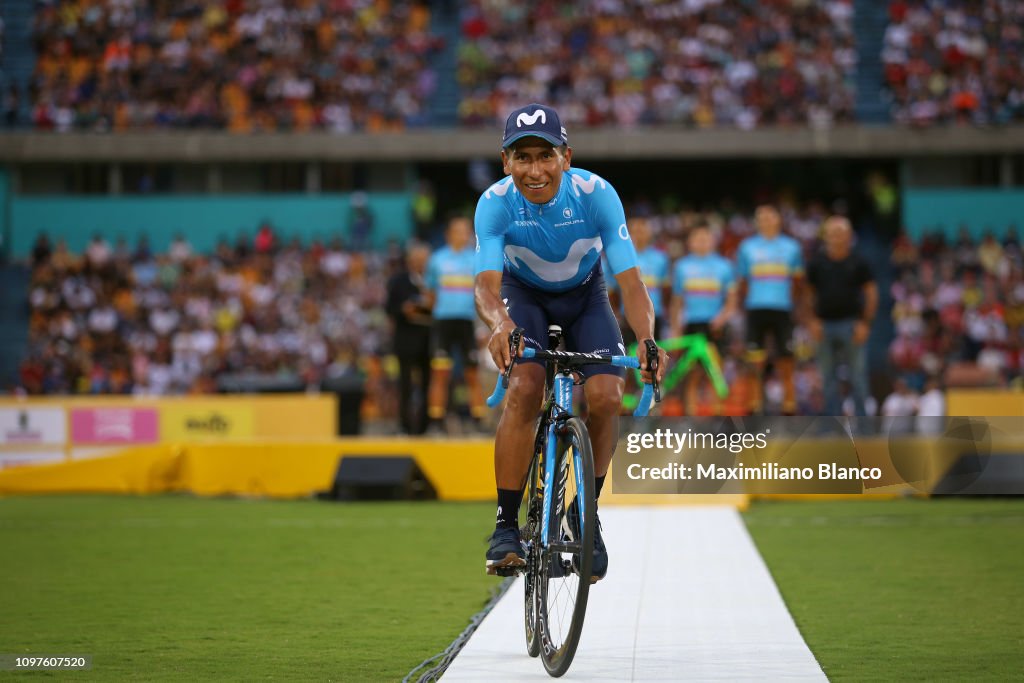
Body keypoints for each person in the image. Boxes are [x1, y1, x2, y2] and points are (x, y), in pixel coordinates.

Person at [473, 103, 668, 580]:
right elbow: (484, 285)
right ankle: (505, 525)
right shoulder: (494, 203)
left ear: (566, 156)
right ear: (506, 162)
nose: (534, 170)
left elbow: (632, 283)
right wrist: (499, 323)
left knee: (605, 396)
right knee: (524, 388)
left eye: (545, 156)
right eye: (522, 158)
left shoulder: (596, 194)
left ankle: (586, 515)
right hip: (524, 297)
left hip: (586, 297)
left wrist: (645, 339)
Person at [804, 216, 877, 416]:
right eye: (832, 233)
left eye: (841, 232)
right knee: (827, 379)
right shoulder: (817, 263)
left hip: (852, 325)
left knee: (858, 378)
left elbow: (871, 294)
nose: (836, 237)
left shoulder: (858, 262)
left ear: (849, 236)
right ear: (825, 236)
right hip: (824, 326)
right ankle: (831, 428)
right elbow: (808, 295)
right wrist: (812, 321)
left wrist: (865, 323)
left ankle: (864, 429)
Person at [736, 205, 804, 415]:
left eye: (770, 216)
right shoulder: (746, 247)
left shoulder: (792, 247)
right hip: (756, 309)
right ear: (756, 222)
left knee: (786, 359)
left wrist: (790, 303)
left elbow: (798, 282)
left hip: (782, 310)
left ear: (778, 220)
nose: (765, 220)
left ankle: (789, 407)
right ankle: (755, 405)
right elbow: (743, 281)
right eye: (761, 217)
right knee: (755, 360)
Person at [668, 223, 737, 415]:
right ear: (690, 242)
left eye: (706, 238)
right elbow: (676, 302)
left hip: (715, 326)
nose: (701, 242)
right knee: (691, 374)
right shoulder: (682, 266)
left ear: (713, 240)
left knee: (716, 372)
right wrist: (675, 328)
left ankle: (718, 417)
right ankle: (690, 417)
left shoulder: (724, 266)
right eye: (697, 238)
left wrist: (721, 319)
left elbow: (731, 301)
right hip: (692, 327)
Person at [424, 216, 485, 433]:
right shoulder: (437, 259)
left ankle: (477, 420)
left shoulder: (476, 259)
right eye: (458, 230)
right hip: (443, 323)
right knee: (440, 373)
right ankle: (436, 420)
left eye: (466, 231)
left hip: (467, 322)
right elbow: (429, 292)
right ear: (448, 234)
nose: (463, 235)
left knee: (472, 373)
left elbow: (482, 294)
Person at [385, 244, 433, 435]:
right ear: (410, 261)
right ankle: (404, 426)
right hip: (406, 341)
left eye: (425, 259)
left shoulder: (434, 281)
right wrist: (404, 310)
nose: (422, 263)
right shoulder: (398, 281)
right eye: (418, 259)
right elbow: (389, 308)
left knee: (428, 385)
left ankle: (425, 427)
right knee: (404, 385)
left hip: (429, 341)